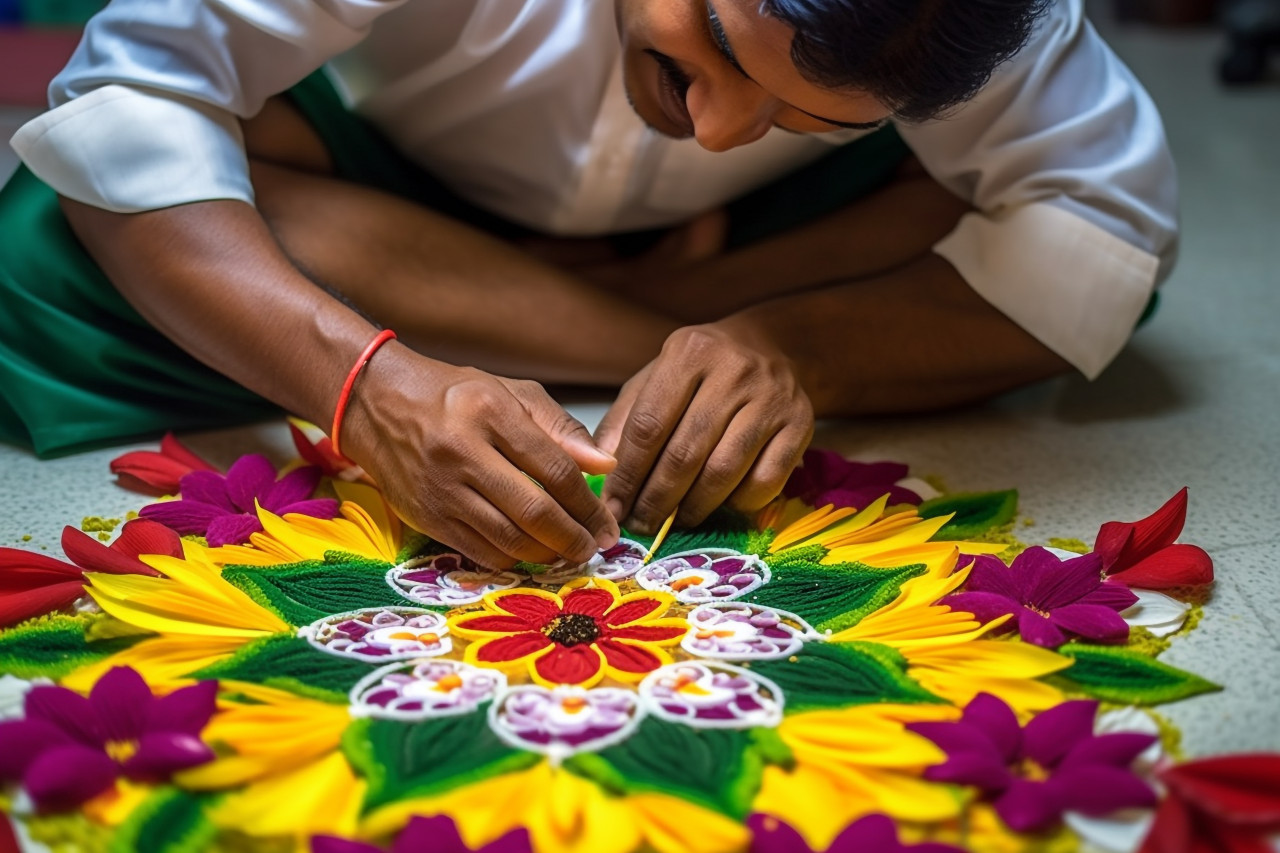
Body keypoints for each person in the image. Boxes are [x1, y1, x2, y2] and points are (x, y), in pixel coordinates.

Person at [0, 0, 1176, 569]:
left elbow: (1106, 225)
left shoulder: (981, 18)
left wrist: (793, 346)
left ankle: (604, 311)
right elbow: (130, 100)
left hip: (735, 245)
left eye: (801, 115)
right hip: (404, 183)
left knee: (1080, 277)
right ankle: (649, 322)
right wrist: (367, 387)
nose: (715, 132)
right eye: (708, 35)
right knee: (49, 235)